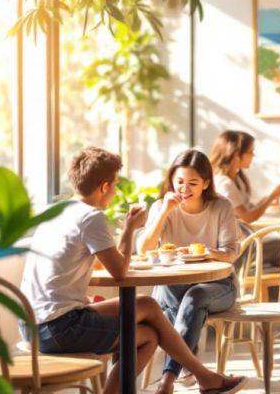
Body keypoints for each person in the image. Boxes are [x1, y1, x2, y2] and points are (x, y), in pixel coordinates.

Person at [20, 146, 246, 394]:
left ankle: (202, 377)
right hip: (59, 328)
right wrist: (128, 229)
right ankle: (200, 378)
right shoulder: (91, 217)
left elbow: (87, 263)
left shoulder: (58, 212)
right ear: (105, 187)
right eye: (115, 185)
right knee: (148, 336)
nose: (116, 190)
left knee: (148, 305)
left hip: (32, 324)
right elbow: (119, 272)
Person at [136, 149, 242, 394]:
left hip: (219, 285)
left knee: (194, 297)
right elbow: (143, 248)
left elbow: (231, 252)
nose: (184, 189)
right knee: (177, 296)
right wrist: (165, 212)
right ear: (171, 180)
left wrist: (207, 252)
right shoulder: (163, 206)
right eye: (179, 181)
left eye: (193, 183)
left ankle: (168, 379)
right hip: (173, 285)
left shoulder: (221, 206)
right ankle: (192, 372)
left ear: (206, 183)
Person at [209, 130, 280, 227]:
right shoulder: (225, 184)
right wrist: (271, 197)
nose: (253, 155)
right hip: (239, 239)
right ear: (236, 156)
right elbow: (248, 217)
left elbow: (246, 209)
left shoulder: (237, 179)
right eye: (250, 152)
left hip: (244, 234)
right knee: (279, 240)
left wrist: (267, 200)